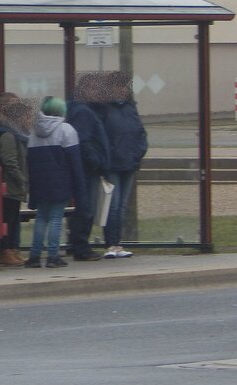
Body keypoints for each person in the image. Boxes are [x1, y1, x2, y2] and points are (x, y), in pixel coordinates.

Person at [25, 96, 85, 268]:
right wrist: (79, 186)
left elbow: (30, 160)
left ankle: (34, 256)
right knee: (56, 218)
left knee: (41, 217)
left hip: (40, 182)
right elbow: (74, 161)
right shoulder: (66, 130)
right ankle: (53, 256)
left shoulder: (33, 131)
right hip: (60, 181)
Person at [95, 72, 148, 258]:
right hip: (112, 165)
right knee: (113, 205)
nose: (122, 90)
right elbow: (100, 137)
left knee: (122, 205)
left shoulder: (130, 108)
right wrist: (105, 159)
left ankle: (117, 243)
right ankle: (110, 243)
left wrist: (138, 154)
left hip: (129, 164)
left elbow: (140, 133)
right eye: (118, 86)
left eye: (124, 86)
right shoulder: (103, 109)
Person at [65, 73, 112, 261]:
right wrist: (96, 162)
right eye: (94, 89)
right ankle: (80, 247)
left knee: (85, 207)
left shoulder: (85, 109)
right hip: (86, 168)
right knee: (85, 207)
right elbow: (83, 140)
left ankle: (78, 244)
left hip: (86, 166)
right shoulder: (83, 111)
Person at [0, 94, 31, 267]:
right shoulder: (7, 135)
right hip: (9, 186)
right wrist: (21, 180)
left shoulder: (17, 133)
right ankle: (5, 251)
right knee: (7, 218)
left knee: (12, 218)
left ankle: (12, 249)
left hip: (14, 186)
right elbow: (10, 162)